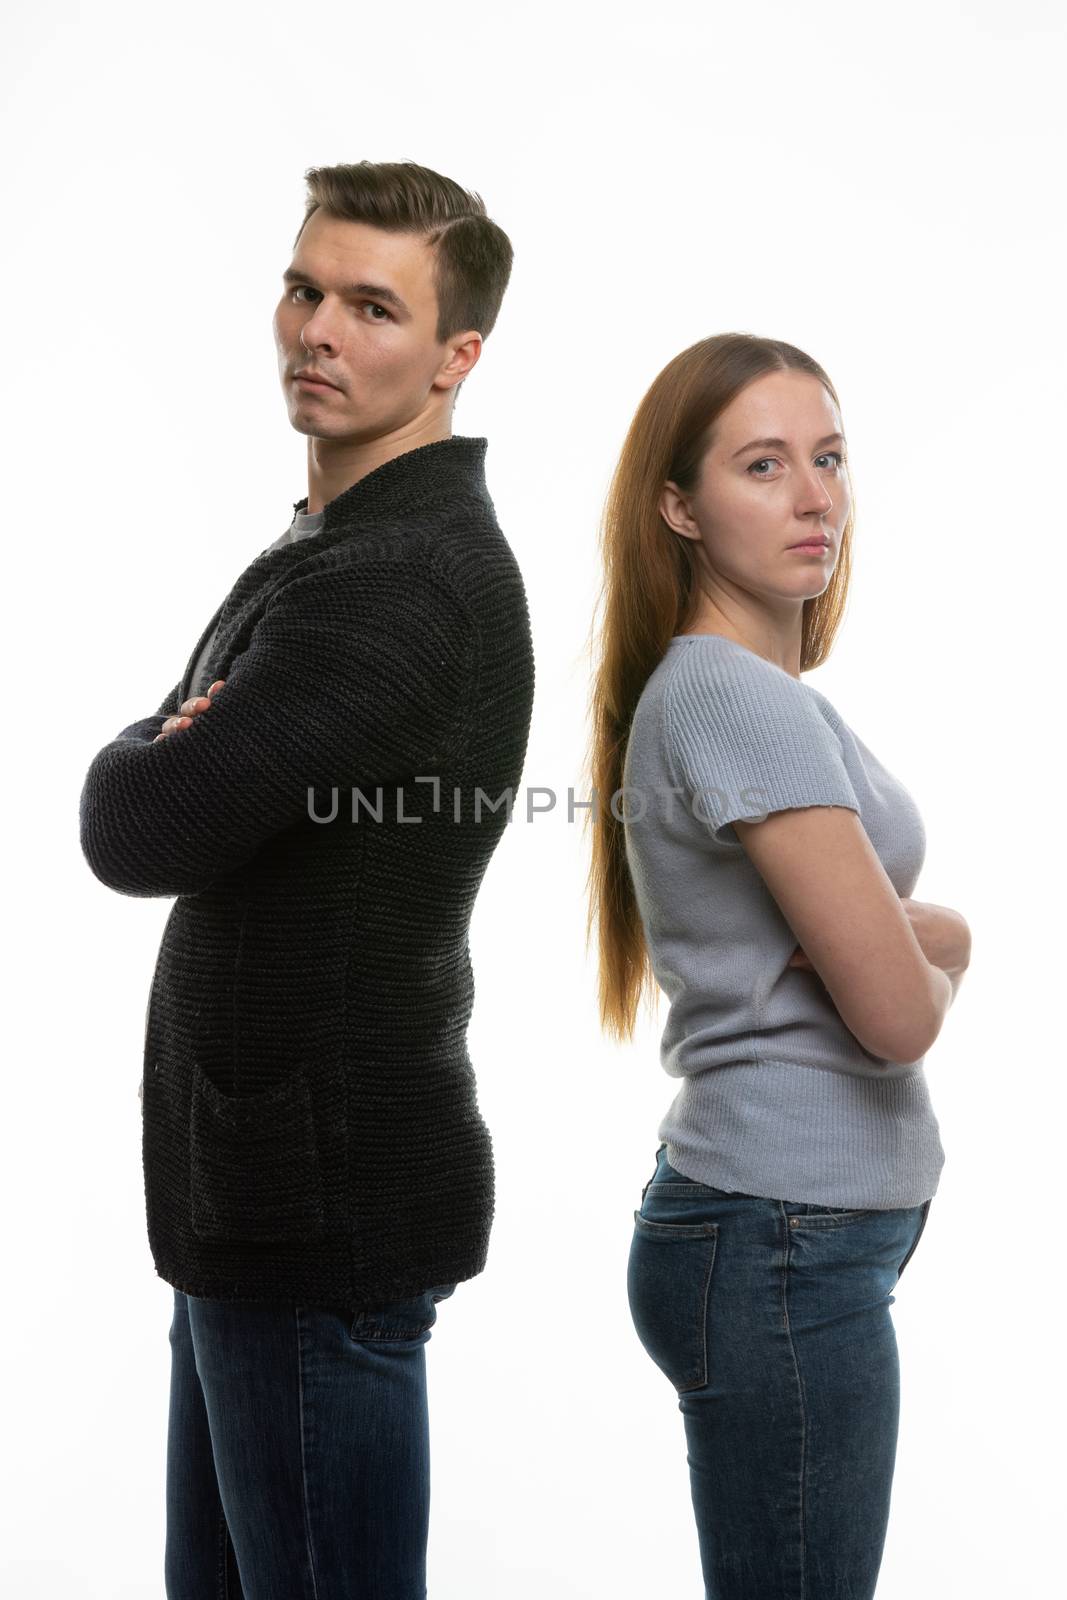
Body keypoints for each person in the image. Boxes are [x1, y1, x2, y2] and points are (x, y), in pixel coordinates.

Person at [79, 159, 535, 1600]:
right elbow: (168, 787)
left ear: (456, 356)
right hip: (259, 1202)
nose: (316, 331)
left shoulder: (395, 583)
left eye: (370, 306)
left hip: (310, 1207)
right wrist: (168, 747)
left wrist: (155, 747)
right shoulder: (334, 544)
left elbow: (134, 826)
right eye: (303, 288)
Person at [583, 333, 970, 1599]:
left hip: (781, 1237)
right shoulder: (732, 698)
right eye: (763, 465)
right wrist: (941, 947)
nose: (815, 498)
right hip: (779, 1242)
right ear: (679, 506)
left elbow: (887, 960)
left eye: (829, 457)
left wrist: (919, 943)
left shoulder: (750, 689)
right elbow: (894, 1014)